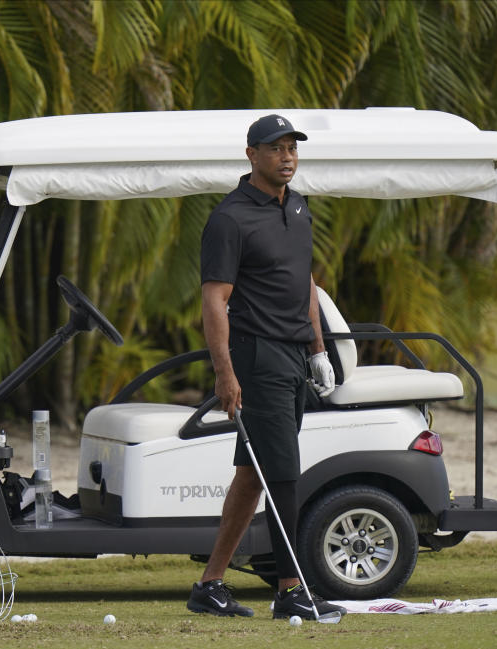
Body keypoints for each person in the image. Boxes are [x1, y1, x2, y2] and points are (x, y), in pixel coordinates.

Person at [186, 114, 346, 620]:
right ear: (251, 154)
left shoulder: (298, 208)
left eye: (291, 148)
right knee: (282, 474)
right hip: (257, 358)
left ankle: (210, 585)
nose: (287, 156)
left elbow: (305, 283)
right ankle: (290, 589)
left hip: (296, 355)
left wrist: (319, 349)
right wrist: (225, 373)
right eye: (275, 148)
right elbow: (215, 302)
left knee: (252, 473)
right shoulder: (230, 219)